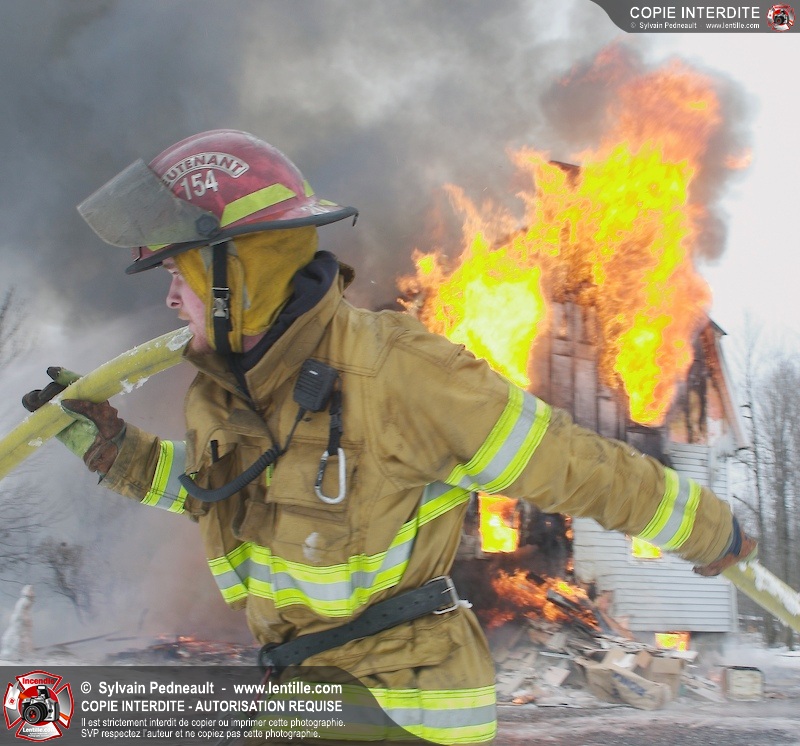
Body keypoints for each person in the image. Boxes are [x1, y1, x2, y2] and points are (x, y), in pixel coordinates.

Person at [25, 130, 755, 744]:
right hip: (308, 693)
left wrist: (704, 527)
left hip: (403, 704)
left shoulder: (401, 371)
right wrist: (120, 454)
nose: (167, 296)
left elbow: (576, 464)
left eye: (178, 270)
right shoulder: (228, 395)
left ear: (234, 274)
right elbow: (224, 493)